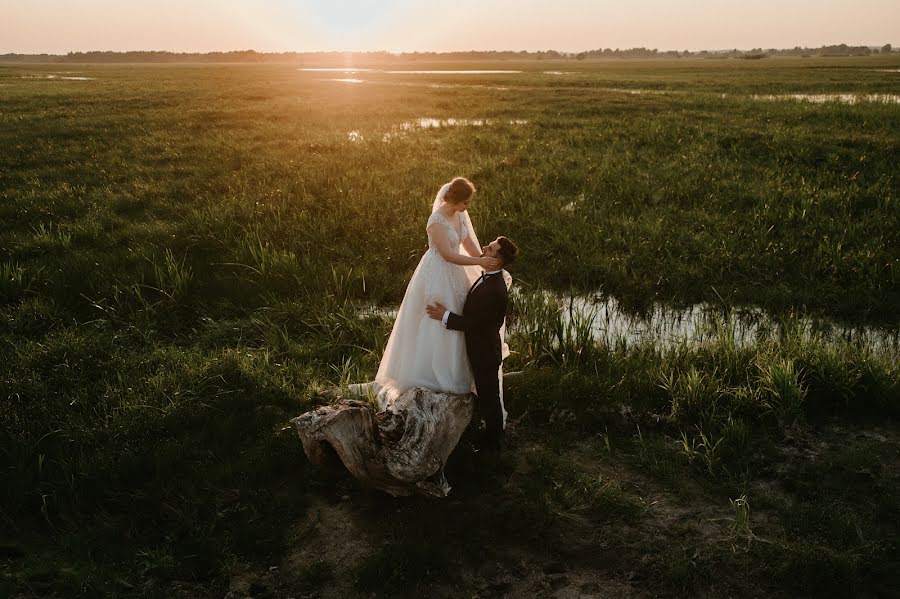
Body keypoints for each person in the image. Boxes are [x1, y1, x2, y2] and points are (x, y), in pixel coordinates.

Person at [374, 178, 501, 395]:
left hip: (456, 271)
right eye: (466, 203)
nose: (468, 207)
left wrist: (486, 264)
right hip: (437, 273)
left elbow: (468, 244)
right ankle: (430, 376)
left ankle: (457, 372)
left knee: (459, 312)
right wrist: (480, 262)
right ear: (456, 200)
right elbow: (448, 255)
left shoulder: (459, 214)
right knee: (434, 321)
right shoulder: (435, 222)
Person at [426, 236, 519, 452]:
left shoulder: (495, 290)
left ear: (496, 261)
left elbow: (476, 325)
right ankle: (491, 434)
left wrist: (444, 316)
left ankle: (494, 442)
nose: (484, 248)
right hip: (481, 348)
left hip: (485, 352)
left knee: (489, 397)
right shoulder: (488, 277)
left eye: (491, 249)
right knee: (487, 394)